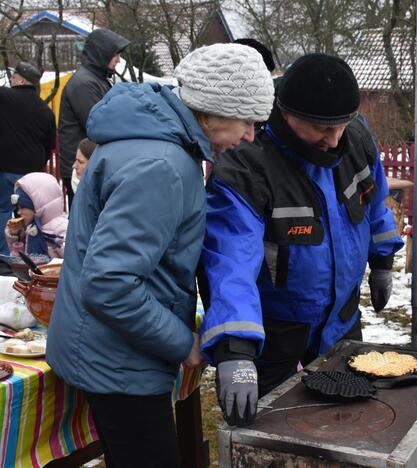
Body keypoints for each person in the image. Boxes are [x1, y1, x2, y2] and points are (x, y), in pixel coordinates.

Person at [46, 43, 274, 467]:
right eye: (248, 120)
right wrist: (179, 341)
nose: (250, 136)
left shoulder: (158, 143)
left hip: (112, 349)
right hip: (119, 362)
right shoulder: (161, 164)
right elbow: (109, 283)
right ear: (213, 109)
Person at [199, 53, 404, 427]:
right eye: (321, 128)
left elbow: (374, 203)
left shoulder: (355, 139)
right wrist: (236, 348)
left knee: (347, 423)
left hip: (341, 320)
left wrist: (383, 261)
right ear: (286, 113)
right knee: (267, 430)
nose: (334, 138)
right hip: (273, 329)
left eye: (341, 125)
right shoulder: (248, 165)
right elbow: (230, 260)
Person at [58, 28, 129, 208]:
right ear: (102, 54)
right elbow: (99, 125)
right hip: (83, 167)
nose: (119, 60)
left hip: (90, 163)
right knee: (86, 225)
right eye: (115, 54)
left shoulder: (95, 79)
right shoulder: (84, 83)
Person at [0, 62, 56, 256]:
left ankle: (5, 255)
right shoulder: (45, 110)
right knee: (31, 216)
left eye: (13, 77)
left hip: (6, 168)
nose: (11, 80)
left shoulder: (5, 97)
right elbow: (49, 143)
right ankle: (31, 253)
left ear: (21, 80)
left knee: (5, 211)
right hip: (33, 174)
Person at [4, 172, 68, 259]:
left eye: (23, 207)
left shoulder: (60, 230)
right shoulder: (29, 228)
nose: (19, 212)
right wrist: (16, 237)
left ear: (37, 206)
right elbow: (19, 259)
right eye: (17, 208)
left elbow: (72, 260)